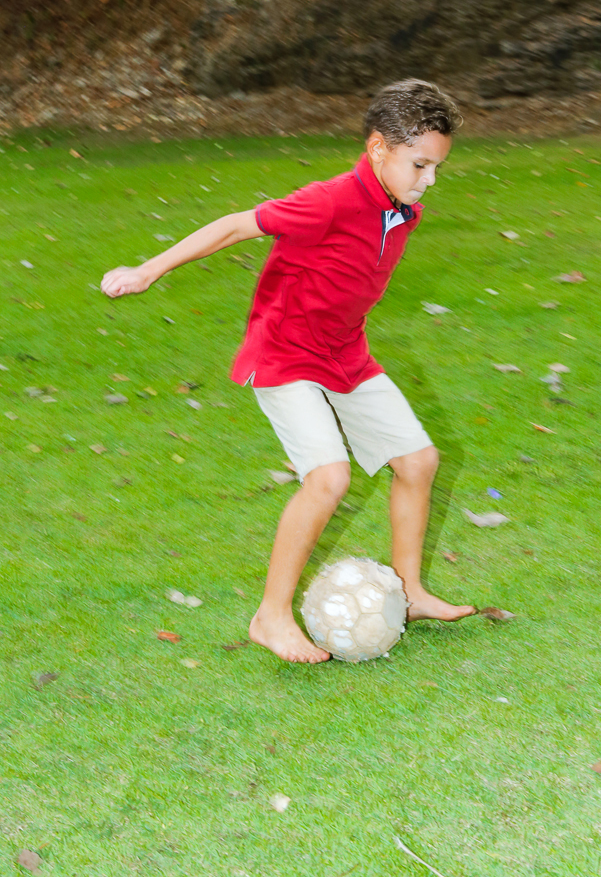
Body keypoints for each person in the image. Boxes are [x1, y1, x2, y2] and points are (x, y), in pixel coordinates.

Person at [101, 79, 476, 663]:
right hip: (284, 354)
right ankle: (270, 617)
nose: (428, 180)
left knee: (419, 461)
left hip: (344, 351)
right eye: (420, 164)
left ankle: (409, 592)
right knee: (328, 480)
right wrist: (149, 270)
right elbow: (234, 225)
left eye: (436, 168)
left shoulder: (402, 212)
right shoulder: (329, 200)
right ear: (378, 147)